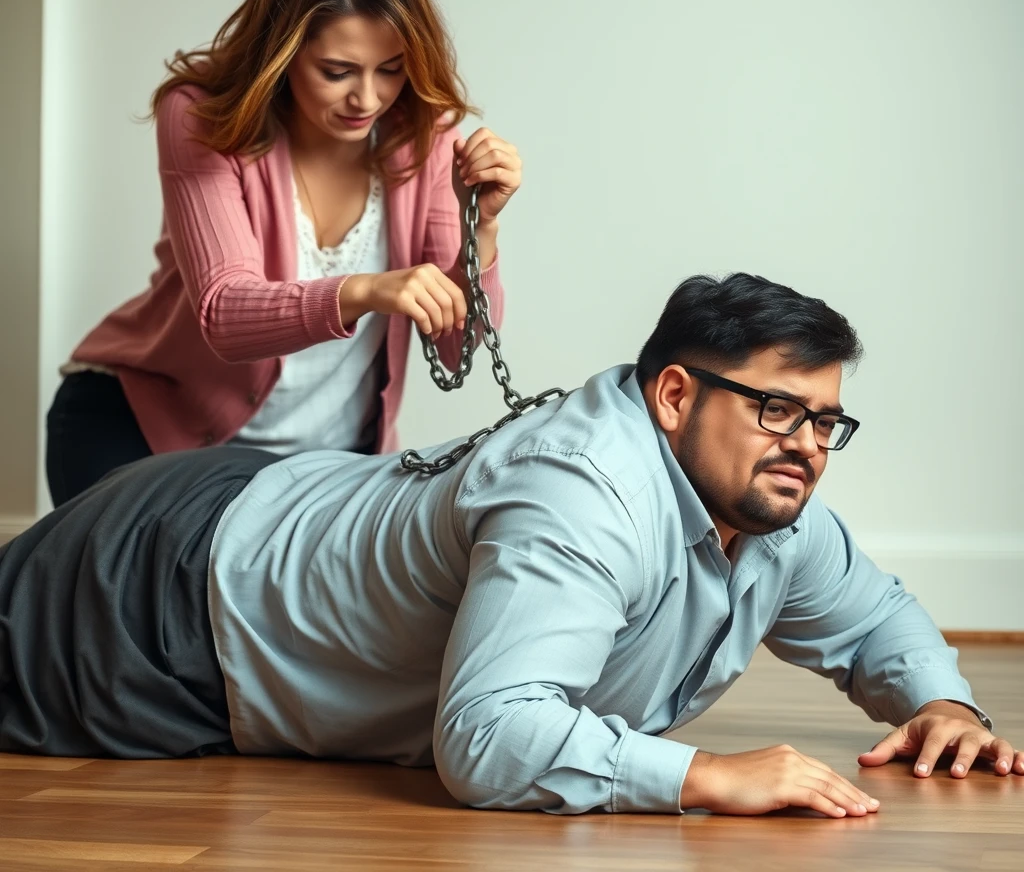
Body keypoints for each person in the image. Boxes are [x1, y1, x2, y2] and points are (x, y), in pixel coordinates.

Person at [5, 272, 1021, 817]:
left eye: (823, 422)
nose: (804, 445)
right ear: (674, 394)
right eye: (775, 410)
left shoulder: (767, 504)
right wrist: (706, 777)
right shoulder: (583, 495)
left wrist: (937, 702)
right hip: (171, 593)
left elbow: (876, 613)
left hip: (268, 510)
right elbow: (488, 740)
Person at [44, 0, 521, 507]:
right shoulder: (201, 118)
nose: (367, 98)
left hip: (321, 473)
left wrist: (487, 228)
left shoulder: (426, 137)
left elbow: (456, 349)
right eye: (337, 71)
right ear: (285, 52)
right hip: (146, 434)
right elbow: (224, 311)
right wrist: (367, 290)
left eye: (391, 70)